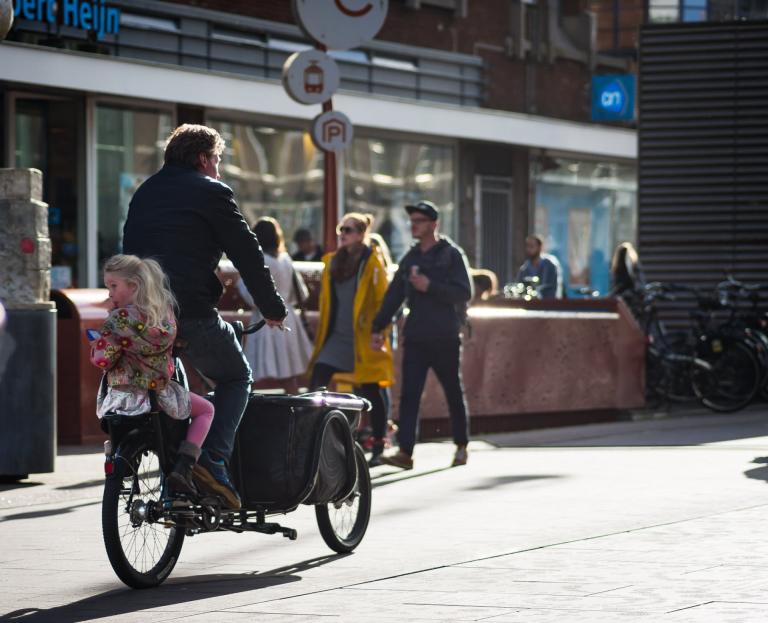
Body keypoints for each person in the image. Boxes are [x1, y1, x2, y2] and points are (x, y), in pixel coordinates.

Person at [122, 124, 287, 510]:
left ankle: (176, 478)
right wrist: (273, 309)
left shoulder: (145, 192)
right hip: (189, 311)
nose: (218, 168)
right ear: (202, 158)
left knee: (166, 394)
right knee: (235, 376)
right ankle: (210, 462)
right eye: (217, 160)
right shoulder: (213, 192)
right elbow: (248, 254)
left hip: (145, 316)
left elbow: (130, 250)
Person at [90, 255, 214, 496]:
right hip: (159, 396)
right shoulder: (164, 315)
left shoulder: (117, 320)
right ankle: (185, 465)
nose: (110, 293)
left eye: (113, 286)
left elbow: (102, 359)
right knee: (207, 410)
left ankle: (115, 454)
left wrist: (98, 344)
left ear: (133, 286)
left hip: (122, 398)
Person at [371, 201, 473, 470]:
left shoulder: (451, 255)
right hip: (416, 335)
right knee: (410, 394)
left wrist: (430, 286)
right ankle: (405, 452)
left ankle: (461, 445)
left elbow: (464, 292)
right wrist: (377, 328)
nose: (413, 225)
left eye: (419, 221)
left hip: (445, 335)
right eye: (412, 221)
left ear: (433, 225)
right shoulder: (411, 258)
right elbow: (394, 296)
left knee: (452, 390)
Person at [308, 213, 394, 466]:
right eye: (340, 229)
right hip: (335, 337)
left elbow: (383, 300)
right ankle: (314, 436)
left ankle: (378, 443)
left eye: (348, 230)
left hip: (363, 339)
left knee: (370, 390)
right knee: (317, 379)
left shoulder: (372, 262)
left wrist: (381, 331)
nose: (342, 234)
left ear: (361, 234)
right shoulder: (333, 262)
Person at [237, 217, 313, 394]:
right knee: (287, 376)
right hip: (288, 319)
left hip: (265, 321)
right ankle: (299, 412)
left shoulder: (259, 260)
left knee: (250, 374)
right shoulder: (286, 260)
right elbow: (302, 293)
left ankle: (244, 413)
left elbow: (248, 292)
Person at [516, 235, 563, 299]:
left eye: (532, 246)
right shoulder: (523, 269)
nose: (528, 249)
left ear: (539, 247)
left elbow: (553, 290)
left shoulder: (549, 267)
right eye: (527, 246)